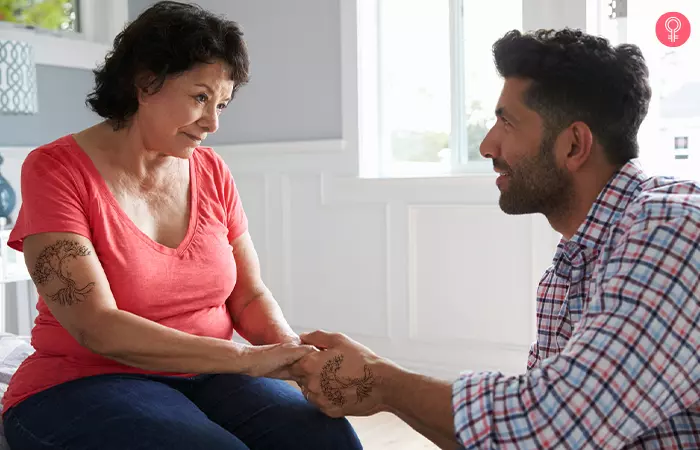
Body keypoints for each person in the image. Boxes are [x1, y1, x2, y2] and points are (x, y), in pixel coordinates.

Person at [292, 28, 700, 449]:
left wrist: (381, 383)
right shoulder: (581, 252)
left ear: (574, 145)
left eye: (507, 121)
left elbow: (548, 428)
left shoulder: (672, 229)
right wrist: (380, 384)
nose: (488, 145)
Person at [1, 2, 363, 449]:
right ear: (145, 81)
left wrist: (290, 353)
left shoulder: (212, 172)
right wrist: (245, 359)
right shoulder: (56, 170)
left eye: (222, 104)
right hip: (79, 383)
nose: (213, 122)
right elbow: (96, 325)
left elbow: (247, 294)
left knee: (325, 439)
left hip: (211, 374)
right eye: (200, 97)